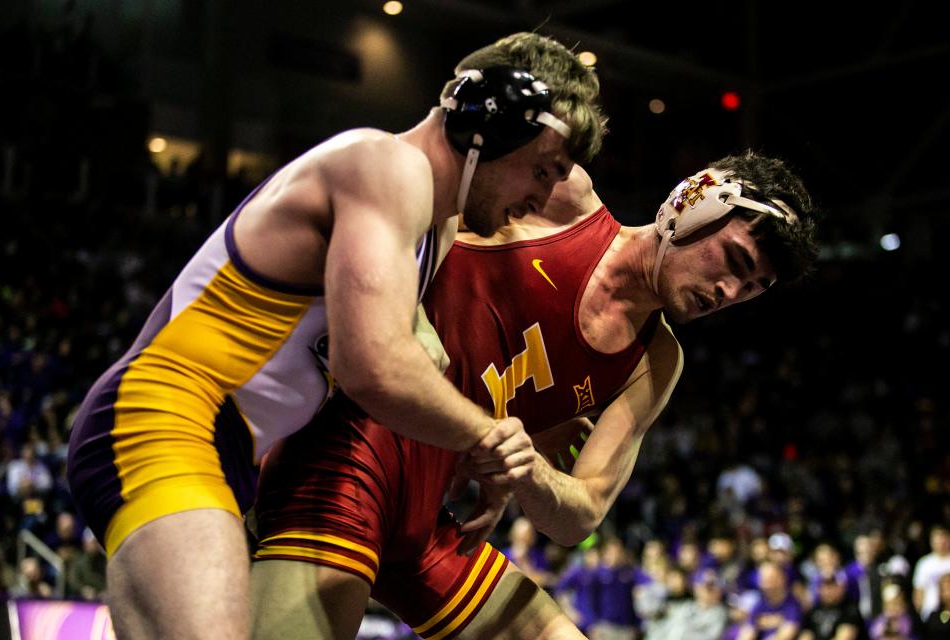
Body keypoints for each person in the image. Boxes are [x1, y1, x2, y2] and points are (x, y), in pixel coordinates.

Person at [65, 31, 607, 639]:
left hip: (222, 449)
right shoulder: (384, 165)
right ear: (487, 123)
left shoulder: (435, 225)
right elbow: (372, 364)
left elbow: (417, 363)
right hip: (165, 417)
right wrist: (491, 439)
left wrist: (483, 452)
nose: (542, 196)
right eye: (541, 169)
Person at [250, 151, 819, 639]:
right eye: (736, 263)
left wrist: (527, 471)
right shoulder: (563, 198)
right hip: (351, 454)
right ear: (696, 205)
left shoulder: (656, 361)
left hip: (430, 517)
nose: (729, 292)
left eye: (751, 289)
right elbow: (393, 183)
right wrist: (407, 311)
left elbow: (579, 517)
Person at [914, 525, 950, 621]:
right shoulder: (924, 563)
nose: (941, 543)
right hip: (929, 615)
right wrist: (919, 612)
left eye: (944, 539)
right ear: (931, 541)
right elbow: (918, 591)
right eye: (937, 539)